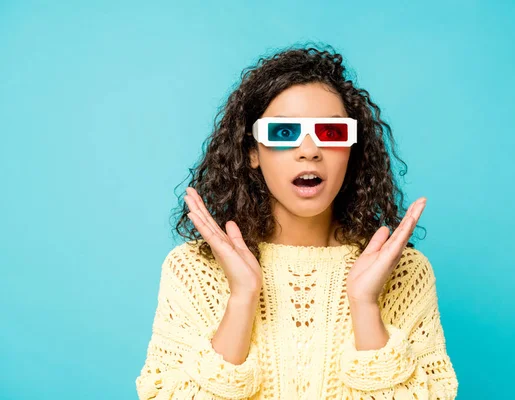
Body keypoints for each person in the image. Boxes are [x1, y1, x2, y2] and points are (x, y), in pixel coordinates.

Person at [135, 43, 458, 399]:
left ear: (353, 151)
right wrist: (242, 298)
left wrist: (365, 304)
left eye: (331, 133)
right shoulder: (194, 270)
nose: (309, 150)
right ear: (252, 152)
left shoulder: (403, 272)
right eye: (284, 133)